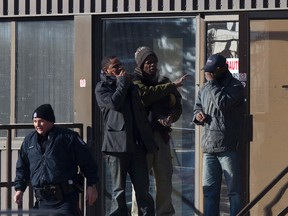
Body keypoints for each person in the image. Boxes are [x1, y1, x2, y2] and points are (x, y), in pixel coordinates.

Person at [95, 56, 157, 216]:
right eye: (115, 66)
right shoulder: (102, 88)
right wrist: (122, 83)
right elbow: (115, 103)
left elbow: (140, 112)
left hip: (137, 146)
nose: (120, 68)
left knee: (143, 191)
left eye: (120, 64)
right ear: (106, 70)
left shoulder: (130, 85)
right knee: (118, 192)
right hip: (116, 147)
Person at [131, 46, 188, 216]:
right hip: (141, 140)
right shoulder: (134, 81)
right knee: (140, 183)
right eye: (148, 62)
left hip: (161, 138)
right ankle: (138, 213)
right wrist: (171, 86)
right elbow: (145, 95)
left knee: (165, 181)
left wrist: (171, 117)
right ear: (141, 65)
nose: (152, 65)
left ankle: (164, 213)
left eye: (154, 62)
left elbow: (177, 106)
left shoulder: (164, 82)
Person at [14, 104, 98, 216]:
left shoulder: (68, 137)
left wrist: (91, 185)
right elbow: (22, 167)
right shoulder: (29, 141)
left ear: (51, 121)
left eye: (41, 121)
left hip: (65, 200)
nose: (37, 125)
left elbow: (88, 162)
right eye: (35, 121)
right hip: (42, 201)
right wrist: (20, 189)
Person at [193, 54, 245, 216]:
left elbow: (222, 104)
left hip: (228, 146)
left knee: (234, 192)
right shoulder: (206, 87)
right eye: (206, 71)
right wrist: (197, 116)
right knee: (209, 193)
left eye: (211, 71)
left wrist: (212, 84)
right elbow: (197, 107)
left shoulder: (235, 86)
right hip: (209, 147)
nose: (207, 74)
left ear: (222, 69)